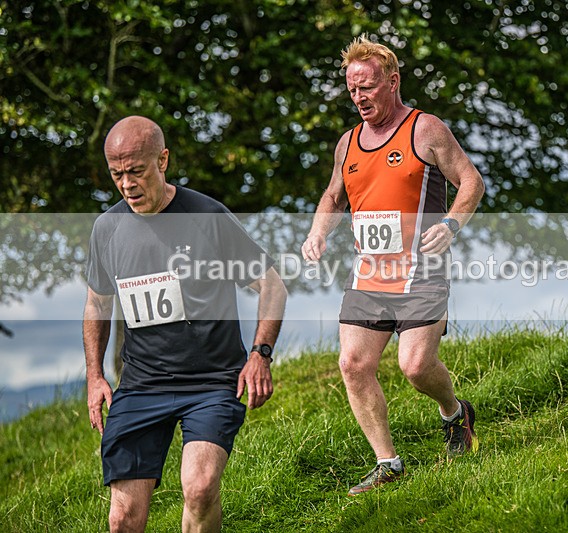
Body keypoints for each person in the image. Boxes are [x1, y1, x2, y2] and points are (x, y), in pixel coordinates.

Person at [83, 115, 287, 532]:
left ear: (163, 160)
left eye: (137, 171)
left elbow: (272, 286)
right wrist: (94, 375)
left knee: (199, 487)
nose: (127, 184)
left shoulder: (207, 216)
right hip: (142, 385)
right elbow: (96, 304)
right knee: (123, 517)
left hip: (213, 381)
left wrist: (260, 355)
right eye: (117, 175)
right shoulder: (107, 228)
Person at [301, 35, 485, 495]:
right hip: (370, 273)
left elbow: (471, 181)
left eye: (368, 87)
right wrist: (319, 231)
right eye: (352, 90)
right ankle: (388, 463)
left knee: (416, 366)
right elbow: (332, 195)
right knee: (353, 363)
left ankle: (455, 414)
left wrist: (452, 224)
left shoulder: (425, 130)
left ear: (393, 81)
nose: (360, 98)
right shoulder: (348, 143)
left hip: (422, 270)